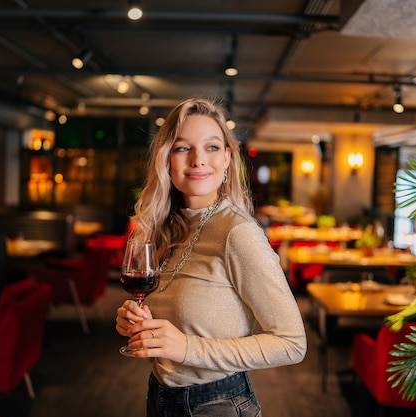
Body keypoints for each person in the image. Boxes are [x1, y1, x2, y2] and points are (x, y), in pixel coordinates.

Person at [115, 97, 307, 416]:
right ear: (166, 160)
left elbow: (292, 343)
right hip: (162, 399)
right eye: (182, 148)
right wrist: (137, 320)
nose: (198, 160)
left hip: (216, 405)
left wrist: (188, 348)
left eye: (212, 147)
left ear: (229, 157)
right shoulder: (170, 228)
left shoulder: (238, 233)